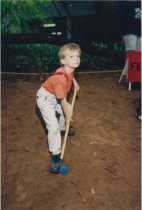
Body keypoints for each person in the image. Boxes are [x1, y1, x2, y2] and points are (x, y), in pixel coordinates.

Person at [36, 43, 81, 174]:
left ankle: (63, 129)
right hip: (45, 100)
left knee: (69, 108)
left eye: (77, 56)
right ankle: (56, 156)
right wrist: (68, 118)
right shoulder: (60, 79)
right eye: (71, 56)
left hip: (56, 96)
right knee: (53, 127)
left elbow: (70, 76)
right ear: (63, 61)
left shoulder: (69, 69)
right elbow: (62, 100)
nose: (76, 59)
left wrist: (75, 82)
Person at [118, 0, 141, 83]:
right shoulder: (129, 4)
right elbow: (121, 18)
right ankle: (127, 76)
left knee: (139, 55)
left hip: (139, 33)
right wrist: (122, 33)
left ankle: (135, 76)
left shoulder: (139, 5)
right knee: (131, 54)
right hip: (130, 32)